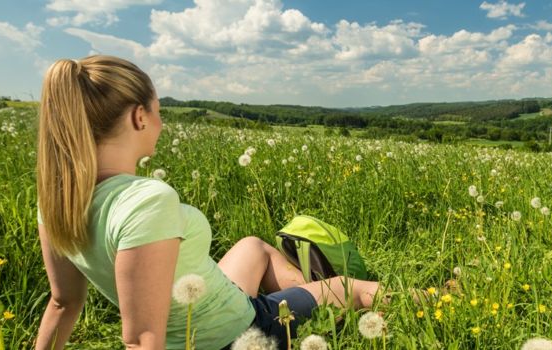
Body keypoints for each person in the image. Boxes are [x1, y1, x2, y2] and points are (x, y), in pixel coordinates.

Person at [33, 55, 383, 350]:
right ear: (139, 117)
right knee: (353, 288)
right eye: (158, 110)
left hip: (209, 305)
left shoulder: (59, 200)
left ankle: (311, 299)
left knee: (252, 248)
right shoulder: (147, 201)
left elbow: (63, 303)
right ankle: (428, 299)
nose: (162, 122)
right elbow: (141, 340)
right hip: (236, 333)